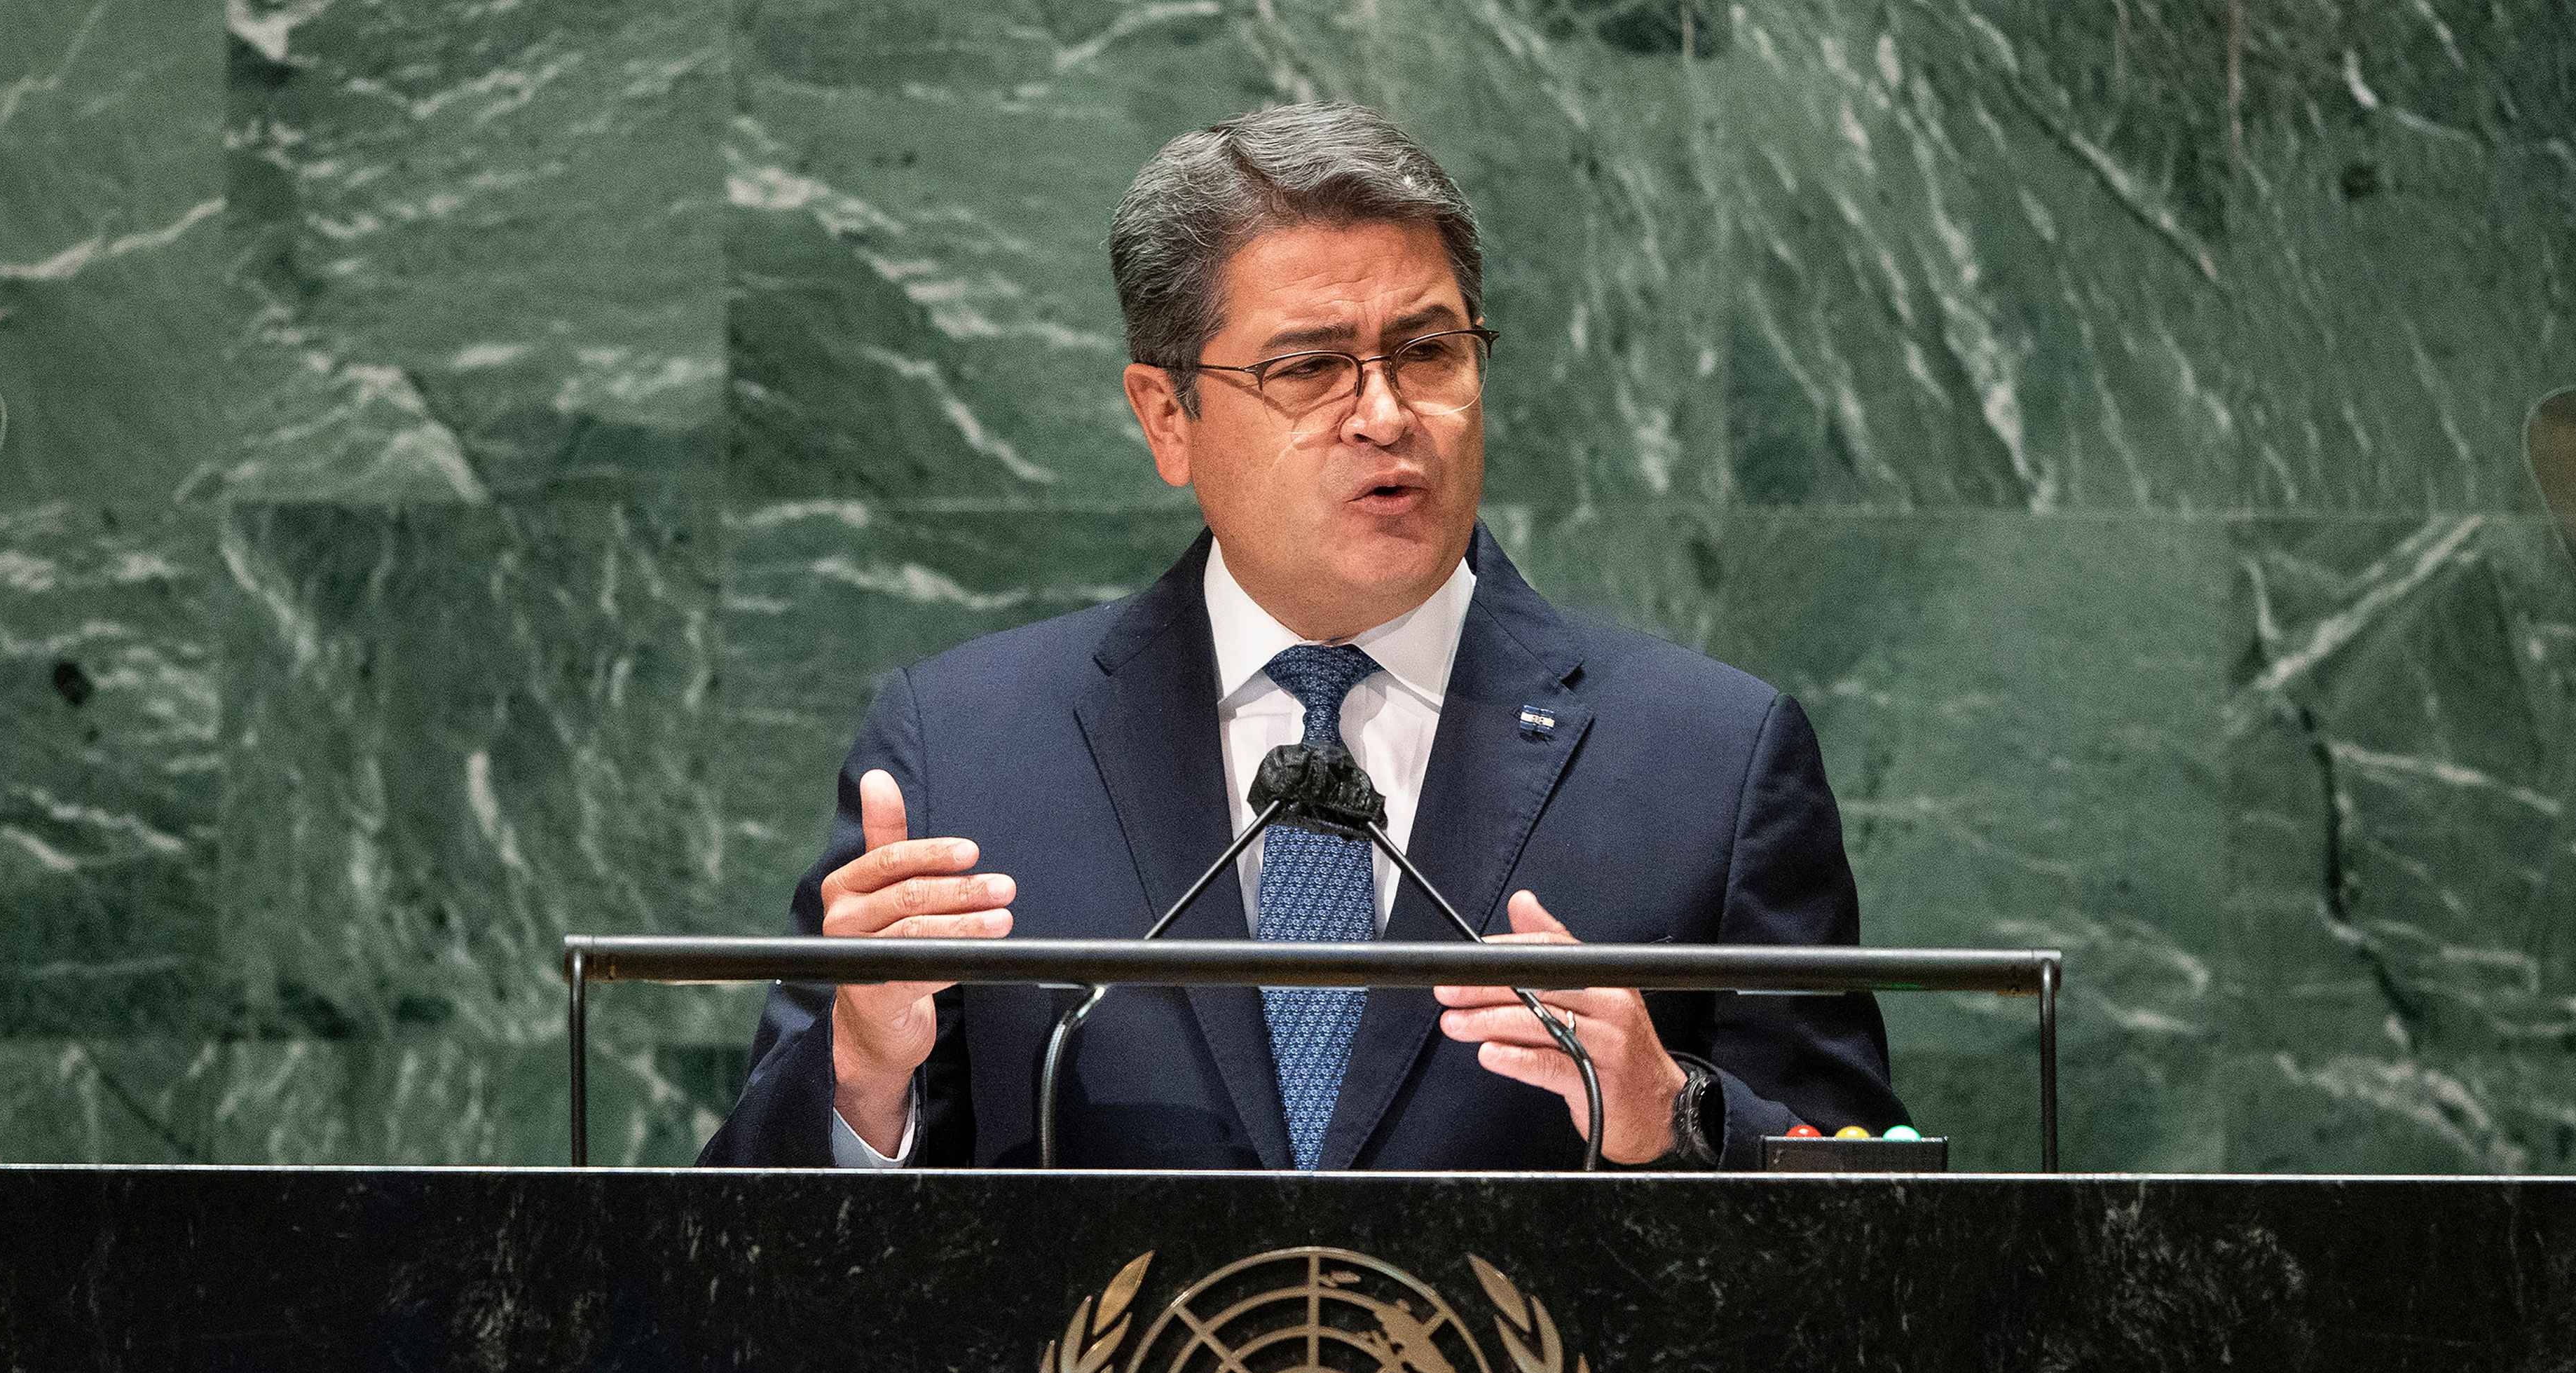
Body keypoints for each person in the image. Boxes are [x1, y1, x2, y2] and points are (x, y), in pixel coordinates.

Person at [702, 102, 1904, 1173]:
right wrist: (864, 1078)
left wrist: (1674, 1113)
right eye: (1313, 368)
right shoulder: (966, 753)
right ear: (1168, 417)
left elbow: (1880, 1240)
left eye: (1428, 351)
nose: (1385, 415)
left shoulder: (1713, 760)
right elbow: (728, 1261)